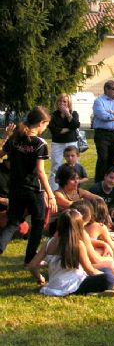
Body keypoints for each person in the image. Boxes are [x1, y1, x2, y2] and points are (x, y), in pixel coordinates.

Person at [0, 107, 57, 265]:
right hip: (33, 190)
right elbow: (40, 172)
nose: (45, 129)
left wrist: (6, 137)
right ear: (41, 123)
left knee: (13, 223)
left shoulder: (15, 138)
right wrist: (50, 194)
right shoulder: (40, 143)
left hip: (15, 189)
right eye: (46, 125)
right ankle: (29, 258)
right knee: (38, 223)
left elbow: (1, 154)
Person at [26, 209, 114, 297]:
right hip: (73, 286)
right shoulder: (78, 244)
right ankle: (91, 291)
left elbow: (32, 266)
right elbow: (90, 270)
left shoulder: (49, 243)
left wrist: (40, 277)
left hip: (54, 286)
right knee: (108, 279)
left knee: (106, 270)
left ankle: (97, 287)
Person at [92, 79, 114, 182]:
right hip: (102, 134)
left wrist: (112, 112)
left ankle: (109, 182)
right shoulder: (99, 101)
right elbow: (103, 116)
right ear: (106, 89)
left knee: (112, 158)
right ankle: (99, 182)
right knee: (103, 158)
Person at [48, 93, 80, 191]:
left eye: (64, 101)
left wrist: (68, 115)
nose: (62, 103)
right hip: (58, 143)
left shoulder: (73, 113)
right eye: (60, 101)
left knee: (74, 165)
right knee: (56, 166)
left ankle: (73, 189)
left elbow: (76, 125)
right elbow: (55, 131)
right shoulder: (53, 115)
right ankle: (54, 191)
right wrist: (69, 128)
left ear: (69, 103)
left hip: (71, 142)